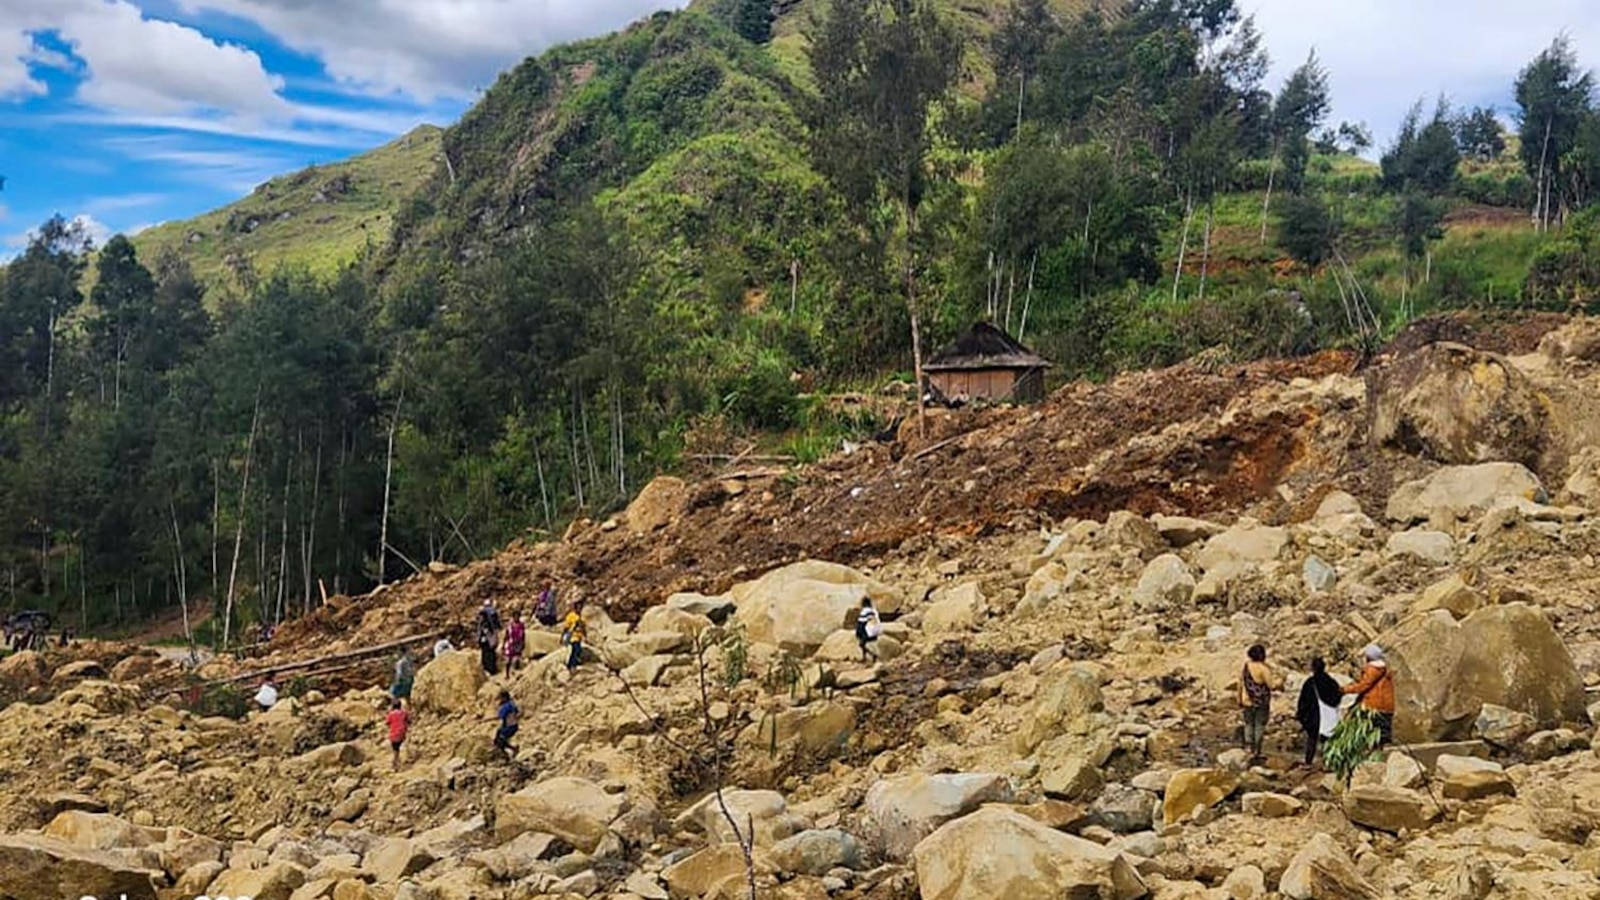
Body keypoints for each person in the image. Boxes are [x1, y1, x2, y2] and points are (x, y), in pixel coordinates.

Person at [1344, 644, 1396, 746]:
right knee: (1384, 734)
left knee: (1372, 732)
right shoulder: (1384, 669)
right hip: (1387, 706)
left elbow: (1364, 685)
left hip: (1375, 705)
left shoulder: (1373, 669)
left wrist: (1344, 690)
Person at [1295, 657, 1343, 767]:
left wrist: (1301, 714)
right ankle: (1328, 762)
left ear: (1313, 668)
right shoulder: (1331, 682)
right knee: (1328, 740)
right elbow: (1337, 696)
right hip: (1328, 715)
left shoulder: (1310, 683)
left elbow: (1303, 700)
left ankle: (1308, 762)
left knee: (1312, 739)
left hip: (1313, 715)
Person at [1238, 644, 1272, 763]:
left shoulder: (1246, 666)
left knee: (1248, 724)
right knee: (1259, 725)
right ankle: (1257, 750)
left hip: (1247, 700)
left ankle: (1248, 748)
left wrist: (1239, 698)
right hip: (1261, 702)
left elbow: (1240, 684)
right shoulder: (1264, 669)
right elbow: (1271, 685)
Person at [477, 599, 503, 676]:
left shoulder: (485, 619)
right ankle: (491, 668)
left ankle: (489, 669)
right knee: (489, 653)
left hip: (487, 638)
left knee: (487, 653)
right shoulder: (492, 614)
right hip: (489, 638)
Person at [561, 601, 588, 672]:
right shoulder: (571, 616)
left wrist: (585, 636)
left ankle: (573, 663)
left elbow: (583, 628)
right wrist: (563, 636)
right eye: (578, 607)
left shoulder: (581, 617)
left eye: (580, 607)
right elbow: (566, 627)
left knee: (578, 650)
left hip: (579, 637)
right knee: (575, 649)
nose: (579, 609)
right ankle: (571, 665)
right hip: (573, 636)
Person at [493, 690, 520, 759]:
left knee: (499, 741)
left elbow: (500, 717)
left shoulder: (505, 707)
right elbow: (517, 712)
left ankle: (507, 754)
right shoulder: (512, 704)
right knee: (499, 738)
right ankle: (511, 750)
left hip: (509, 727)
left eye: (500, 698)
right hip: (514, 726)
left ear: (504, 698)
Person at [386, 697, 410, 770]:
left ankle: (395, 763)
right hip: (402, 734)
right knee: (398, 748)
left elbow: (387, 722)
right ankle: (397, 762)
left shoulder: (391, 714)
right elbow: (408, 720)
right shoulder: (404, 713)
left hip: (393, 734)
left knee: (395, 750)